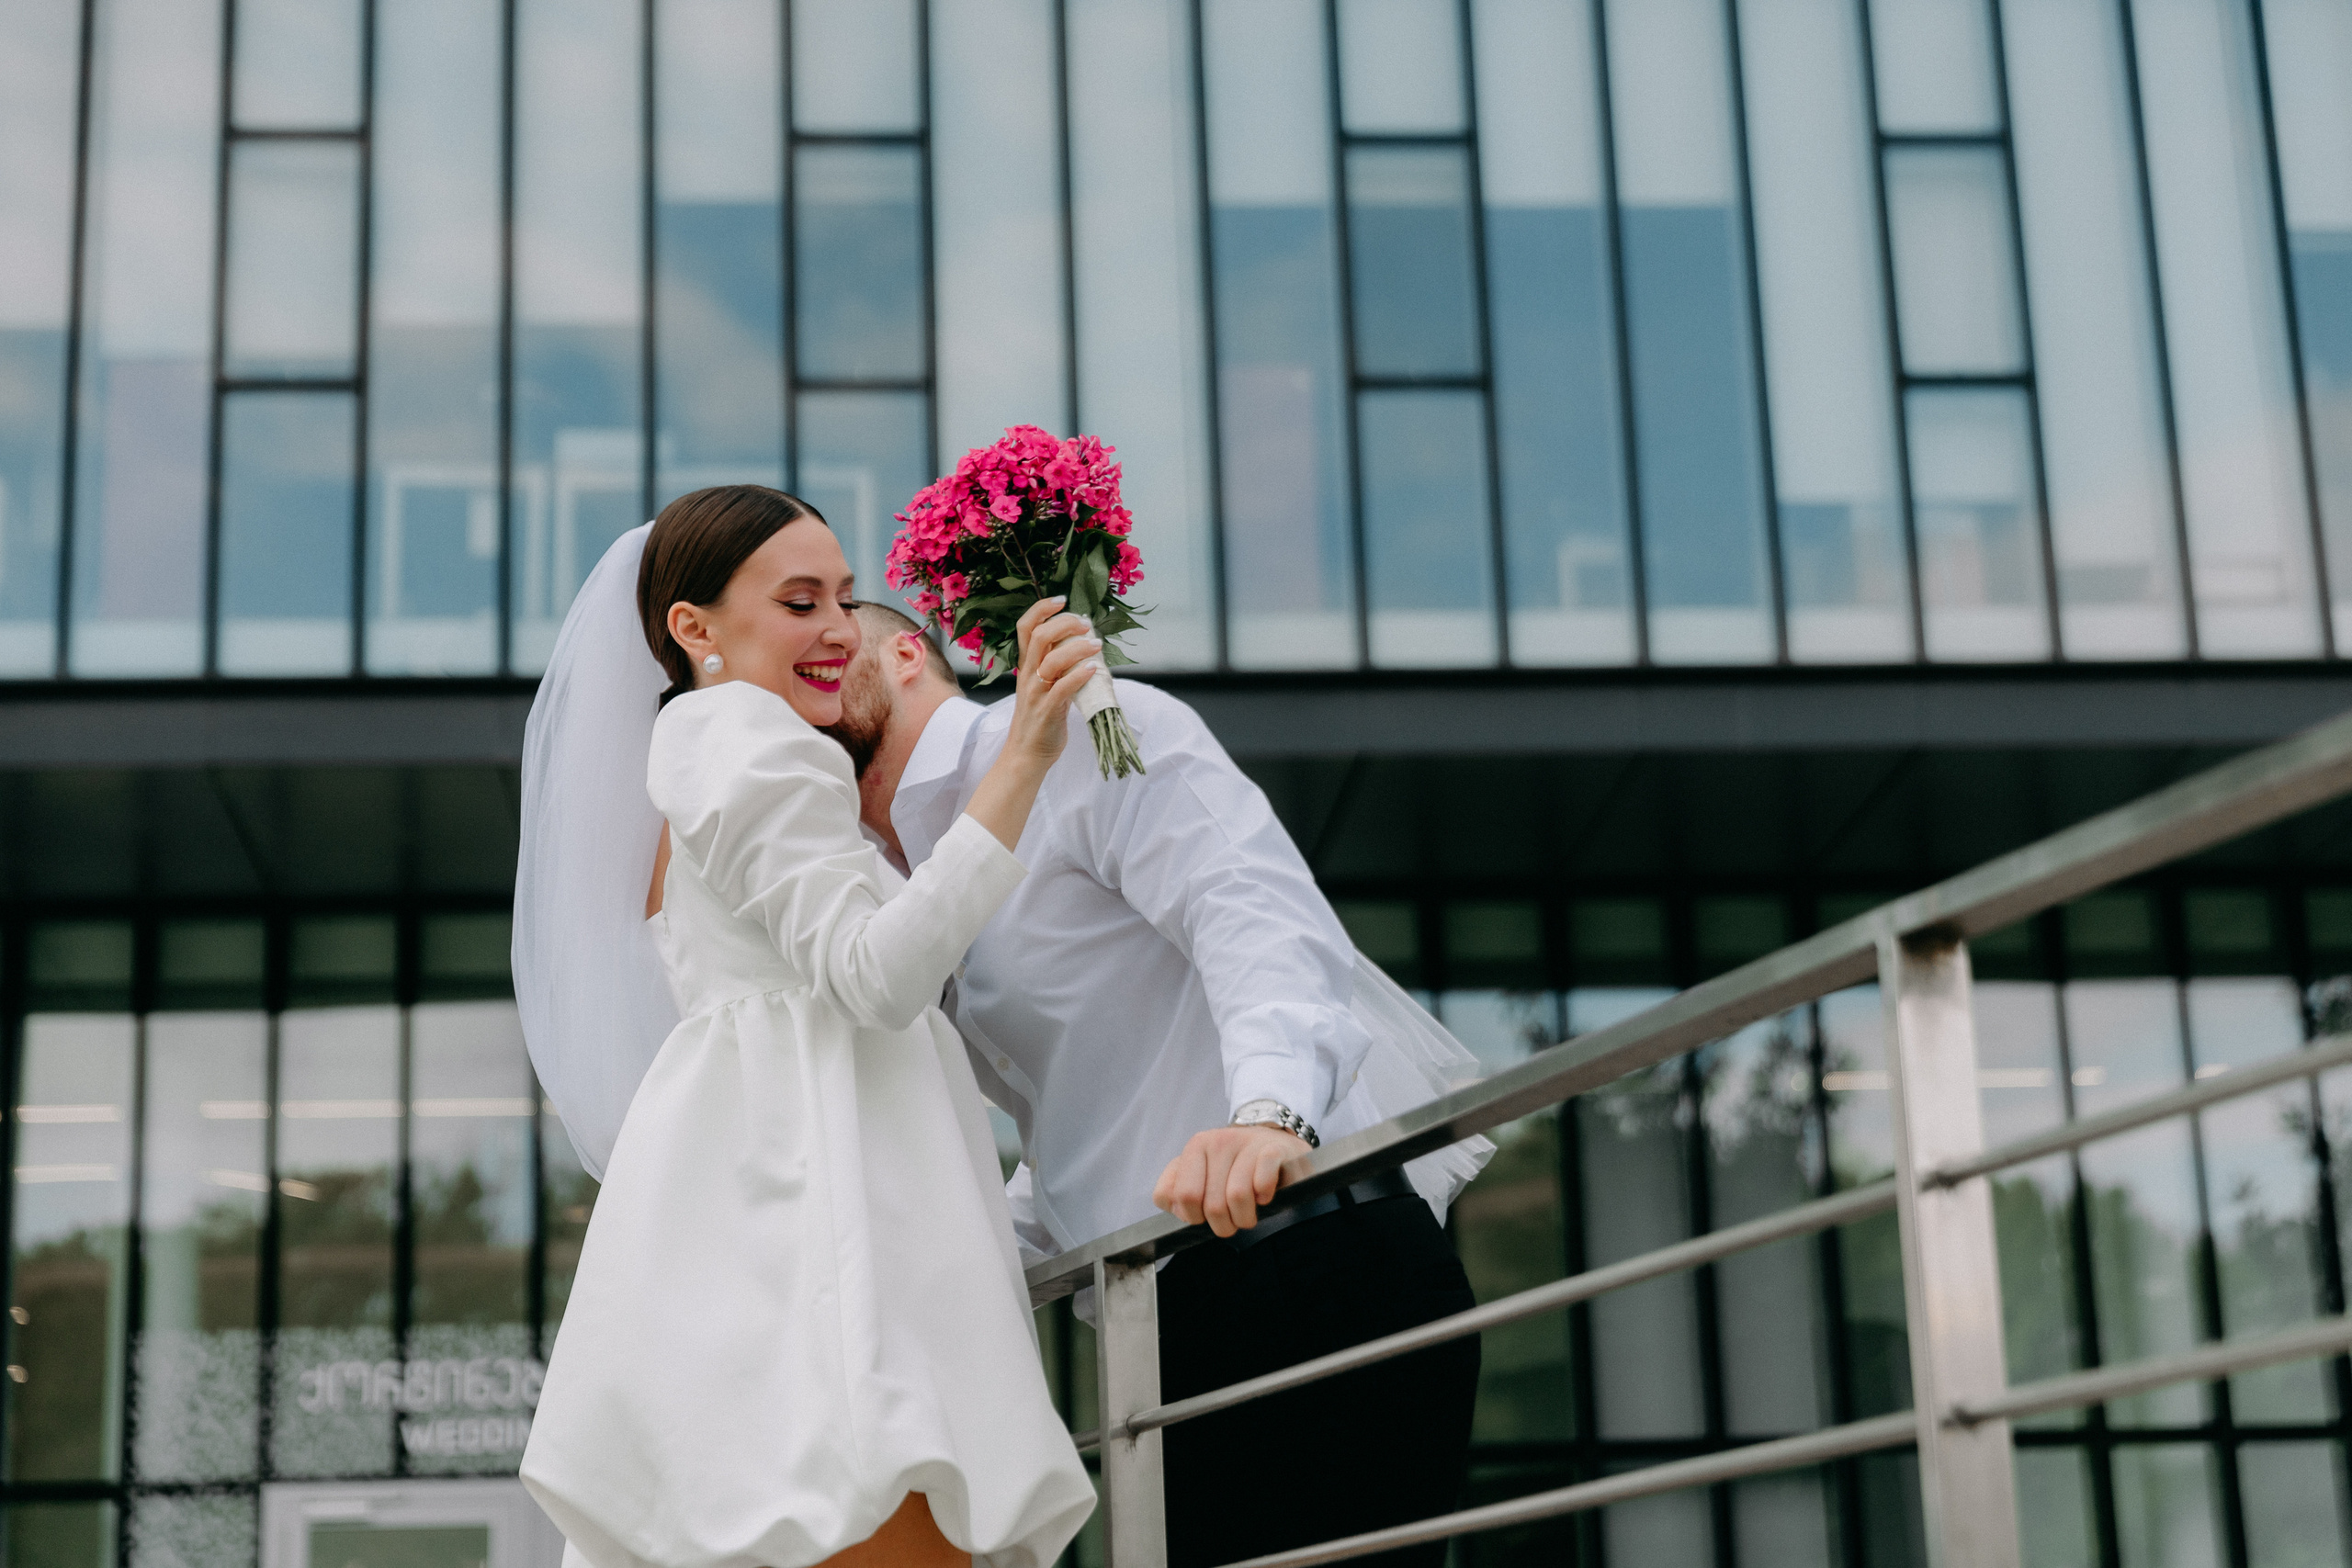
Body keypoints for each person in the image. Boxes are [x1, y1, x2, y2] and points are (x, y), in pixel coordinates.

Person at [828, 599, 1492, 1568]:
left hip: (1311, 1261)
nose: (810, 647)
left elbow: (1250, 912)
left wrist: (1268, 1116)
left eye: (830, 618)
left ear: (905, 651)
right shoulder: (901, 900)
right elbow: (1074, 1126)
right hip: (1168, 1317)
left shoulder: (1079, 727)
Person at [511, 486, 1098, 1568]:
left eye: (841, 594)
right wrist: (1023, 758)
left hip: (766, 1183)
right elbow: (876, 978)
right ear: (694, 629)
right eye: (796, 600)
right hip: (823, 1201)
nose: (837, 628)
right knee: (872, 1480)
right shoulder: (750, 742)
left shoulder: (707, 750)